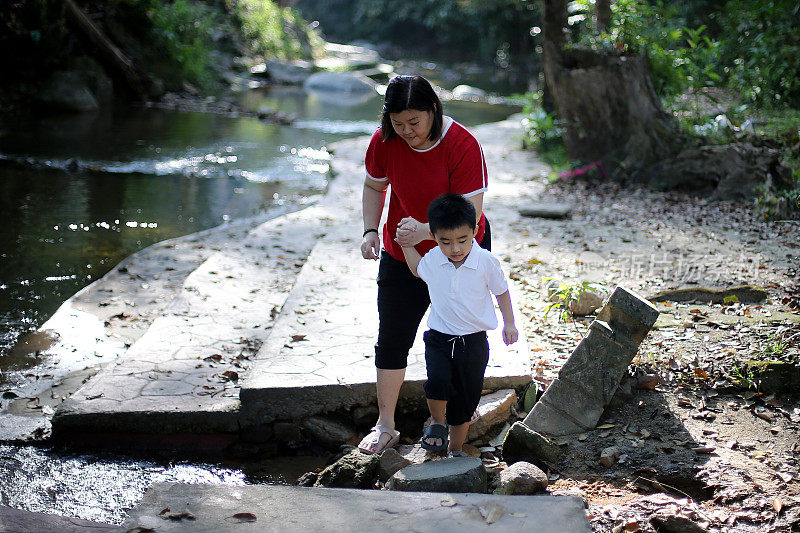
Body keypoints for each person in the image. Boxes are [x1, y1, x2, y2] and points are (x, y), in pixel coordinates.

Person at [358, 75, 492, 454]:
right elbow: (374, 186)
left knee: (457, 340)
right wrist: (370, 230)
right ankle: (385, 424)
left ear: (433, 110)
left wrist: (425, 230)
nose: (406, 132)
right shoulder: (385, 140)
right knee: (393, 335)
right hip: (402, 252)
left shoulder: (462, 144)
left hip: (458, 256)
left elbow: (472, 218)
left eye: (414, 122)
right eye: (398, 123)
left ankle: (450, 417)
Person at [398, 193, 518, 456]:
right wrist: (406, 244)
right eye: (446, 242)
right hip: (439, 338)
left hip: (473, 342)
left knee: (466, 397)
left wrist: (509, 323)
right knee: (438, 381)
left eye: (462, 240)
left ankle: (455, 448)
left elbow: (502, 292)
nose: (455, 248)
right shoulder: (433, 258)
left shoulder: (486, 262)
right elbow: (418, 269)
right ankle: (438, 425)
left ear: (475, 230)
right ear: (434, 236)